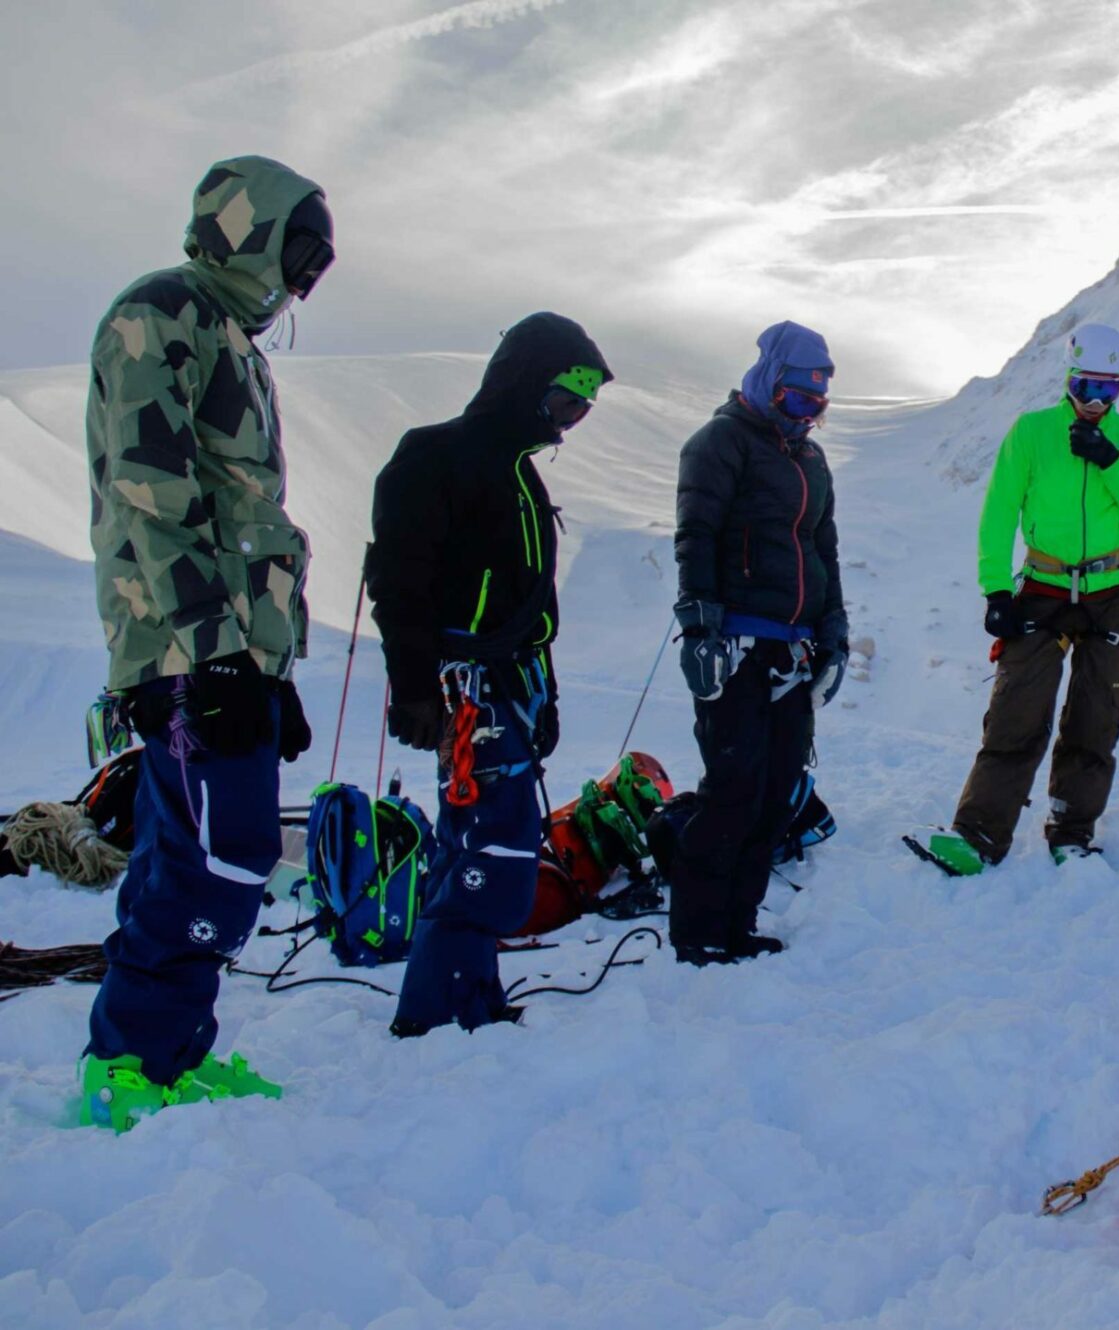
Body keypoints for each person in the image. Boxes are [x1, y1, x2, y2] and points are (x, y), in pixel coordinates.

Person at [79, 156, 334, 1130]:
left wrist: (269, 671)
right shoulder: (162, 315)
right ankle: (132, 1065)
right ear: (249, 230)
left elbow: (244, 518)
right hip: (188, 650)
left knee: (182, 855)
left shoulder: (232, 339)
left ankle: (161, 1056)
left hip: (225, 652)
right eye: (297, 252)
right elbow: (156, 496)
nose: (302, 282)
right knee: (221, 862)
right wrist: (219, 657)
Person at [367, 312, 612, 1035]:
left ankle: (466, 996)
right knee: (494, 850)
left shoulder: (518, 471)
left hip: (514, 682)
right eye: (566, 400)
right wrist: (412, 687)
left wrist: (548, 695)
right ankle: (438, 1012)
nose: (573, 420)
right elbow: (399, 582)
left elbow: (529, 601)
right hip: (465, 686)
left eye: (584, 408)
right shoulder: (437, 455)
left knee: (481, 842)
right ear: (524, 383)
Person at [916, 324, 1119, 874]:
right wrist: (996, 589)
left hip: (1112, 589)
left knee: (1095, 718)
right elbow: (998, 514)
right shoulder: (1031, 433)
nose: (1096, 402)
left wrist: (1111, 459)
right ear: (1068, 379)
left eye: (1109, 389)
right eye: (1086, 386)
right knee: (1016, 711)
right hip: (1043, 586)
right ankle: (979, 833)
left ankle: (1071, 831)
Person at [670, 321, 846, 965]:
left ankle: (735, 925)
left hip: (794, 648)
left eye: (818, 405)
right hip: (738, 643)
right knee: (733, 790)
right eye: (799, 399)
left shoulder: (809, 459)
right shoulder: (720, 443)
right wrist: (699, 629)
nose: (808, 414)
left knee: (777, 793)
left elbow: (822, 550)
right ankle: (697, 930)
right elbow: (697, 535)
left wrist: (835, 634)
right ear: (771, 383)